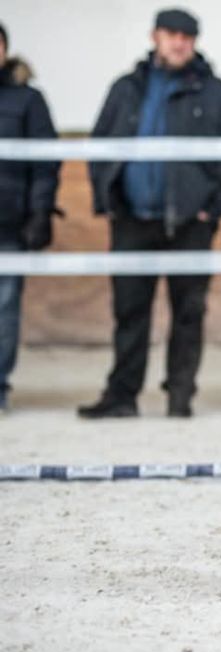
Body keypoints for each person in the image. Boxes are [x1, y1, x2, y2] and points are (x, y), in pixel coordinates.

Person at [78, 8, 221, 419]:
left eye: (187, 36)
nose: (179, 42)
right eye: (171, 34)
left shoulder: (219, 94)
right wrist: (109, 200)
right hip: (132, 218)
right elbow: (100, 145)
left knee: (188, 312)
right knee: (129, 311)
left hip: (192, 222)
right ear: (155, 36)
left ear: (195, 41)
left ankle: (179, 398)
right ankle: (121, 397)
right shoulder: (126, 89)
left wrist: (214, 209)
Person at [0, 22, 60, 415]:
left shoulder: (27, 100)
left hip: (7, 224)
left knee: (3, 309)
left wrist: (39, 212)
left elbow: (44, 163)